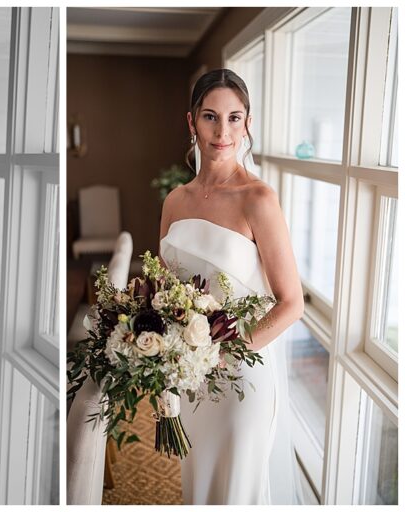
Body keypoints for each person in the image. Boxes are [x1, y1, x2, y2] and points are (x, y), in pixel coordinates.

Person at [159, 68, 303, 505]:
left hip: (241, 377)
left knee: (236, 491)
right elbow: (164, 291)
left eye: (234, 118)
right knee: (200, 486)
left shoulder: (258, 199)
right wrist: (164, 358)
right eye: (210, 117)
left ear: (247, 123)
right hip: (190, 377)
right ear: (191, 122)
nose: (223, 132)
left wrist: (224, 354)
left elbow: (291, 303)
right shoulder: (175, 201)